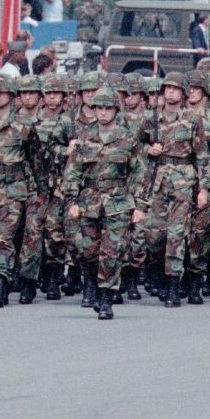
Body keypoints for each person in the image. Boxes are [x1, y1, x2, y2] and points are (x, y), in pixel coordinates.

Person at [62, 88, 149, 319]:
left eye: (107, 108)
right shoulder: (84, 138)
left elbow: (140, 173)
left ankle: (107, 298)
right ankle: (94, 283)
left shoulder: (128, 139)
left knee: (112, 252)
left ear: (115, 110)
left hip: (118, 201)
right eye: (98, 108)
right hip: (89, 201)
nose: (102, 112)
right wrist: (71, 200)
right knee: (86, 252)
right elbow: (72, 172)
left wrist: (140, 206)